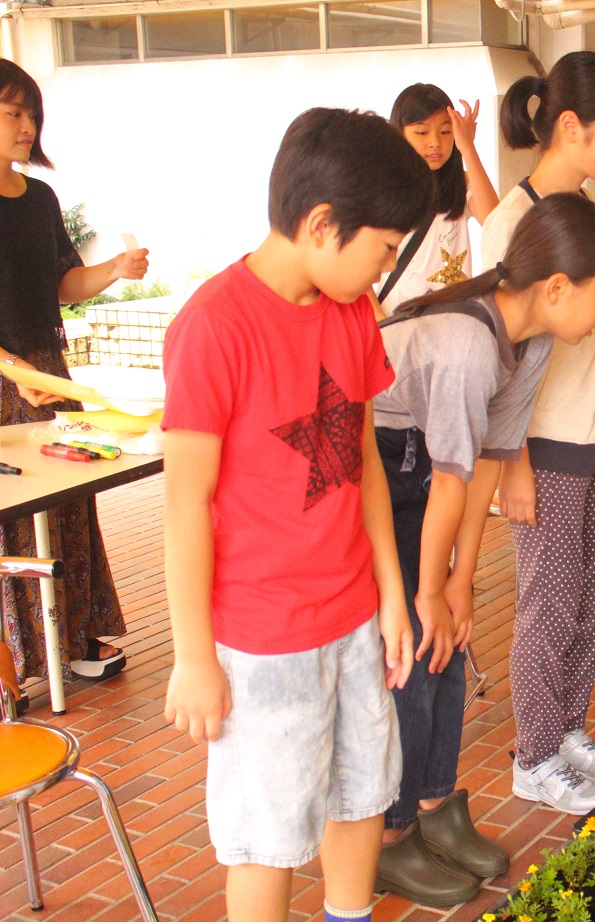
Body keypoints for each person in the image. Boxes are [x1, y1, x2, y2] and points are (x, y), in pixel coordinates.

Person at [161, 107, 427, 922]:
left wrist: (390, 590)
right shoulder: (213, 326)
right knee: (267, 836)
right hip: (260, 639)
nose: (383, 274)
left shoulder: (348, 313)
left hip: (351, 617)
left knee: (361, 796)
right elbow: (183, 507)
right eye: (382, 251)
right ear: (322, 224)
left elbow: (363, 463)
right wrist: (192, 658)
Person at [372, 193, 595, 901]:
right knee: (413, 653)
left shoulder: (537, 339)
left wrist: (461, 583)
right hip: (376, 463)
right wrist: (432, 590)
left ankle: (433, 807)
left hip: (429, 467)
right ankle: (388, 838)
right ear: (556, 288)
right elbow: (452, 480)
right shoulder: (464, 347)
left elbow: (485, 463)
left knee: (449, 644)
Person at [483, 50, 595, 815]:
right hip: (541, 446)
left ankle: (568, 732)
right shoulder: (510, 224)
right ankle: (535, 754)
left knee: (588, 598)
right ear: (569, 126)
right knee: (547, 604)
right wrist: (511, 464)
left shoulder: (594, 216)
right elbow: (496, 361)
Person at [0, 59, 149, 688]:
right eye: (13, 112)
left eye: (31, 112)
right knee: (14, 518)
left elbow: (62, 284)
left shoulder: (39, 199)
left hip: (50, 374)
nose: (27, 125)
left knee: (72, 505)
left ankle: (76, 637)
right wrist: (11, 371)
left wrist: (114, 268)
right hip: (7, 376)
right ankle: (20, 663)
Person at [376, 83, 500, 317]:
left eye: (445, 131)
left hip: (453, 323)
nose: (435, 142)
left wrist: (468, 148)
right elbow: (359, 271)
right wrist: (381, 324)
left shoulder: (461, 185)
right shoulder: (382, 189)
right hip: (397, 321)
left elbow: (495, 220)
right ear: (399, 133)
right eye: (422, 132)